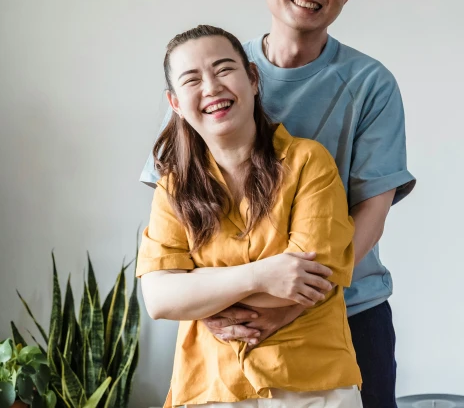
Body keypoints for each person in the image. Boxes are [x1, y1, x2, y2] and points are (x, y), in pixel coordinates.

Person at [141, 0, 416, 407]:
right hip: (225, 327)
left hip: (348, 313)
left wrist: (291, 307)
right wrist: (228, 297)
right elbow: (175, 215)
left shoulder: (370, 84)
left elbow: (371, 214)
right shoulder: (214, 68)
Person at [136, 24, 363, 407]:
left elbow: (306, 281)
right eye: (192, 80)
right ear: (175, 103)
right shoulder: (173, 187)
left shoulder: (309, 162)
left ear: (253, 79)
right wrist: (261, 275)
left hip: (313, 383)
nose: (211, 88)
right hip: (210, 385)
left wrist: (198, 287)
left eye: (224, 69)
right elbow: (159, 299)